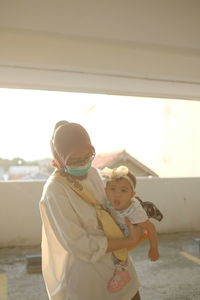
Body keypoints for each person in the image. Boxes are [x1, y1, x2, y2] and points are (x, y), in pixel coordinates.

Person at [39, 121, 144, 300]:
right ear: (58, 158)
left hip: (121, 267)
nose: (83, 164)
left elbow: (111, 210)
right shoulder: (55, 191)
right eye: (74, 160)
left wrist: (133, 215)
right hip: (89, 280)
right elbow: (81, 245)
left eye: (88, 156)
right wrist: (128, 241)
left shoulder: (94, 174)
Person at [101, 166, 160, 293]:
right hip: (116, 229)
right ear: (105, 191)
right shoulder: (108, 202)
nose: (117, 194)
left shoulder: (134, 211)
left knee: (119, 252)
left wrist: (153, 248)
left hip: (130, 233)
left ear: (132, 195)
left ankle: (123, 271)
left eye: (123, 190)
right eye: (112, 189)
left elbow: (151, 227)